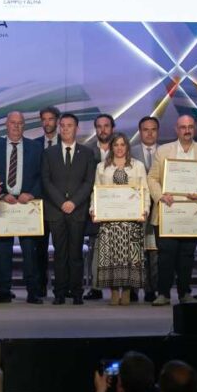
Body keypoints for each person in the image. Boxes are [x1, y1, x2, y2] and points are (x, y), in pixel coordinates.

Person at [148, 114, 197, 306]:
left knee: (187, 256)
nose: (187, 130)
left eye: (190, 127)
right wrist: (161, 195)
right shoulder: (163, 151)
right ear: (176, 130)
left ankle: (185, 292)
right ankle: (163, 294)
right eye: (183, 127)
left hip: (193, 213)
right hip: (167, 212)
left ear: (194, 129)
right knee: (166, 256)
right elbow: (152, 178)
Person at [0, 111, 44, 304]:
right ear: (6, 124)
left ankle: (33, 291)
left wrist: (31, 193)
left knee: (30, 251)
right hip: (4, 204)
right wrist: (2, 194)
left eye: (20, 123)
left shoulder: (36, 148)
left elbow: (42, 176)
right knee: (2, 251)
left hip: (27, 205)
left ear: (24, 126)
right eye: (13, 123)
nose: (16, 126)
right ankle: (4, 291)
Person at [41, 113, 94, 305]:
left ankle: (77, 292)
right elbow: (46, 181)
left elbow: (89, 182)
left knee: (76, 255)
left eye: (69, 125)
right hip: (56, 211)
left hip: (78, 211)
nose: (65, 129)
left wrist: (74, 202)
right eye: (62, 125)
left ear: (77, 129)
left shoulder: (87, 153)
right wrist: (61, 202)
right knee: (60, 254)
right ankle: (60, 292)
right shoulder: (49, 153)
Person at [91, 133, 149, 306]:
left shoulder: (137, 166)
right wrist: (94, 210)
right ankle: (114, 290)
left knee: (130, 257)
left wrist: (144, 209)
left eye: (123, 144)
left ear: (127, 147)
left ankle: (128, 290)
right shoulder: (102, 167)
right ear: (111, 147)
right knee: (111, 257)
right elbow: (96, 191)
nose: (119, 148)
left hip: (131, 220)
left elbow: (144, 190)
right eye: (116, 145)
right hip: (109, 221)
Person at [85, 113, 116, 301]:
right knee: (96, 247)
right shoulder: (87, 151)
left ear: (112, 128)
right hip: (96, 206)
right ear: (95, 129)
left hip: (121, 207)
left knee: (122, 248)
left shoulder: (121, 148)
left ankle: (128, 288)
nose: (103, 129)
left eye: (106, 126)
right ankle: (95, 287)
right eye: (99, 126)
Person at [131, 116, 161, 303]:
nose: (149, 133)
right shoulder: (130, 152)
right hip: (136, 209)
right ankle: (134, 290)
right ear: (140, 131)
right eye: (145, 129)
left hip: (159, 208)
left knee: (155, 251)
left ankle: (152, 290)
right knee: (135, 250)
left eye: (153, 129)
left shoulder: (166, 151)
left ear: (158, 131)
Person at [33, 106, 61, 296]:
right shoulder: (34, 145)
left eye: (50, 119)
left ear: (57, 121)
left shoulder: (67, 144)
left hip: (60, 205)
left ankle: (62, 287)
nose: (47, 122)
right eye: (44, 119)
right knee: (39, 249)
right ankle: (41, 286)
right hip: (38, 206)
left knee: (61, 249)